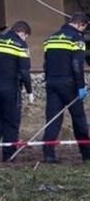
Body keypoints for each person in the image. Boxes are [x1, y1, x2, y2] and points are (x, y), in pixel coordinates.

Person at [41, 12, 90, 163]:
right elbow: (77, 65)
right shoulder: (77, 38)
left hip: (52, 82)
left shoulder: (51, 38)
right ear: (81, 24)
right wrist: (81, 86)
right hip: (69, 84)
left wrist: (49, 80)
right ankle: (86, 154)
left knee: (53, 119)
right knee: (79, 118)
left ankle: (49, 155)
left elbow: (46, 64)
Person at [0, 21, 33, 163]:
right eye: (26, 37)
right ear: (22, 33)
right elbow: (24, 72)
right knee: (11, 122)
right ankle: (8, 156)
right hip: (10, 89)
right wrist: (29, 91)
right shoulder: (20, 45)